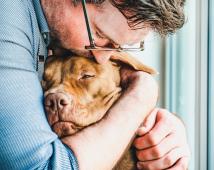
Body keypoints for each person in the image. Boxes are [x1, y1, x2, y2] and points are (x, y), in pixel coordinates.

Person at [0, 0, 190, 169]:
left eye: (117, 46)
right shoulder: (7, 20)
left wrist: (165, 134)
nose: (102, 56)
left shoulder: (49, 36)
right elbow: (43, 166)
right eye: (99, 34)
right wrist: (141, 96)